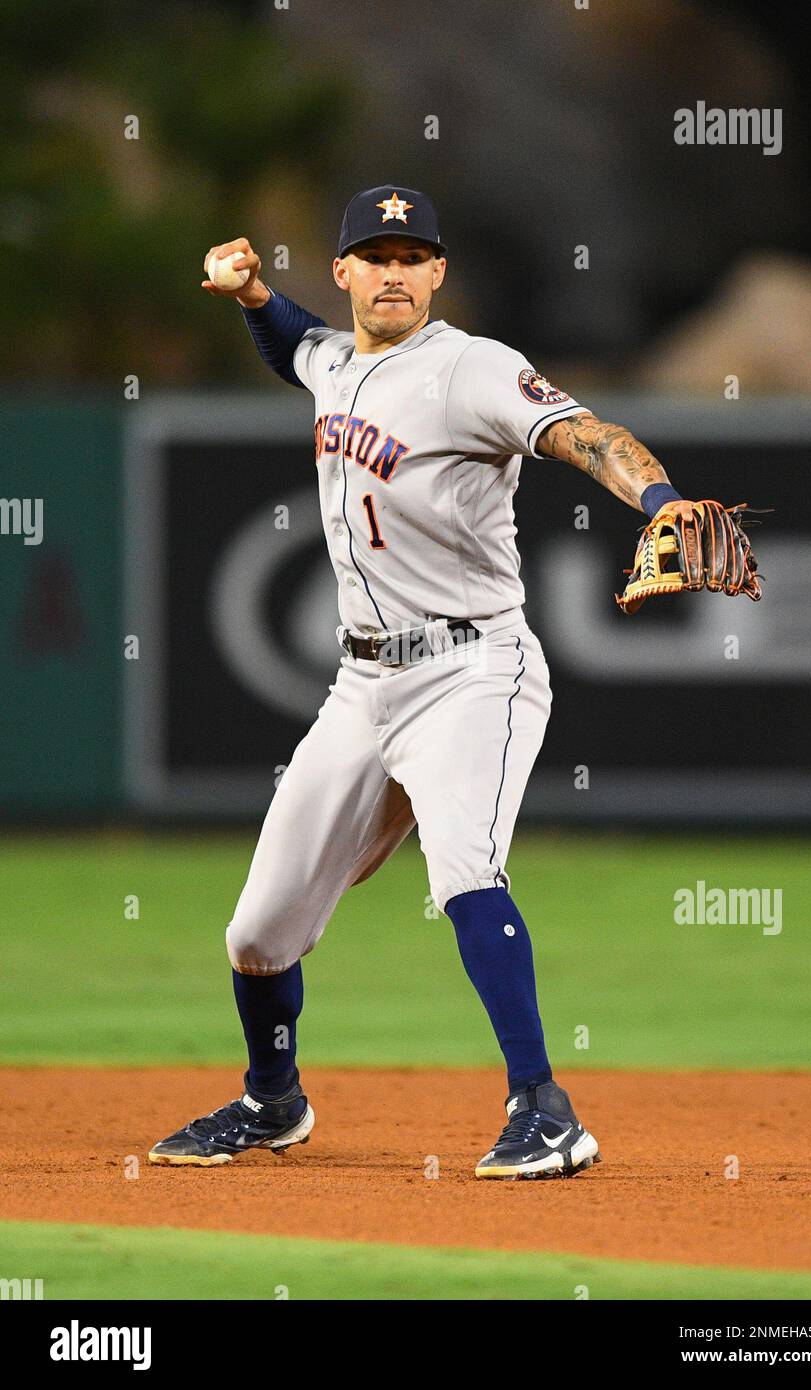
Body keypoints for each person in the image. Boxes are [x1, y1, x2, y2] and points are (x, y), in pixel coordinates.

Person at [148, 186, 691, 1179]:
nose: (393, 271)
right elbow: (295, 346)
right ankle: (273, 1103)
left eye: (413, 255)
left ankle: (545, 1108)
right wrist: (251, 293)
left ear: (436, 274)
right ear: (344, 269)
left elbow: (585, 434)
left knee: (464, 873)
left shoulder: (472, 369)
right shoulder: (335, 363)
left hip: (471, 668)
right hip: (360, 683)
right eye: (374, 254)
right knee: (257, 933)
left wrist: (655, 498)